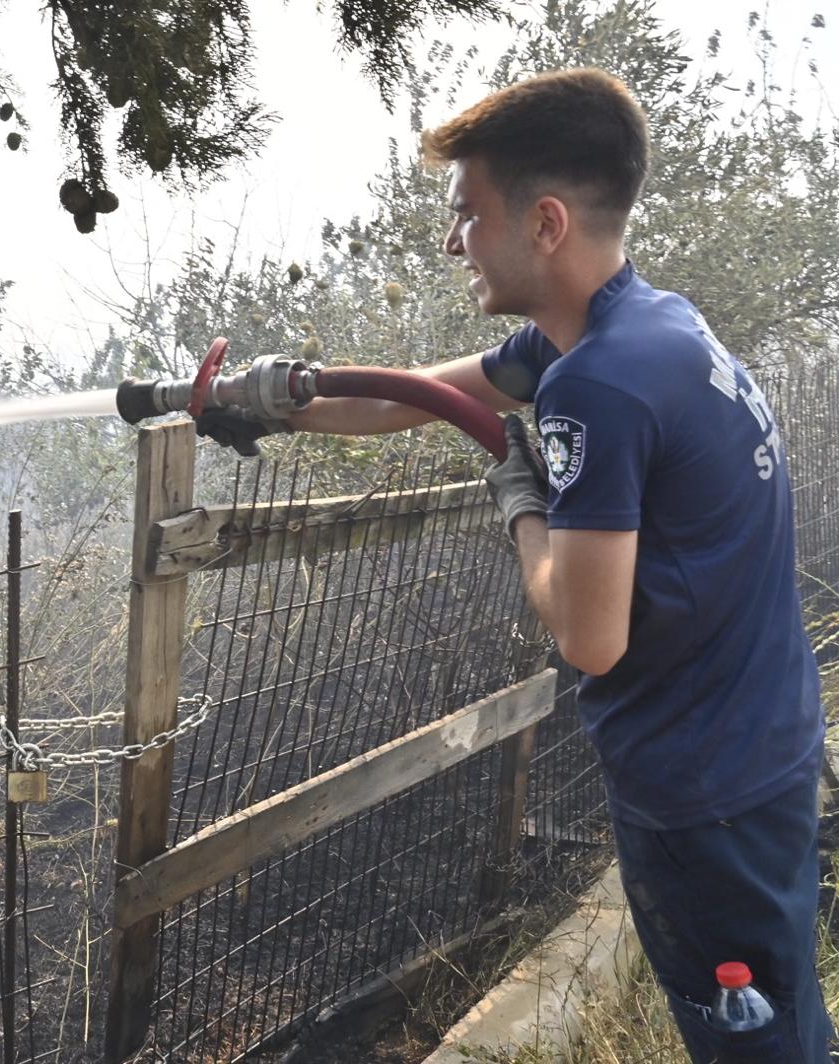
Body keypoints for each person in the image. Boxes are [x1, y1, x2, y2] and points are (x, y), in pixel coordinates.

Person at [198, 68, 831, 1061]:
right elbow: (416, 396)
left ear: (541, 223)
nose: (453, 241)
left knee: (754, 1043)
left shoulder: (597, 383)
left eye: (466, 215)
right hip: (757, 749)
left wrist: (518, 497)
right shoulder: (640, 326)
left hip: (704, 794)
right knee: (781, 1014)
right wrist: (273, 400)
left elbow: (587, 632)